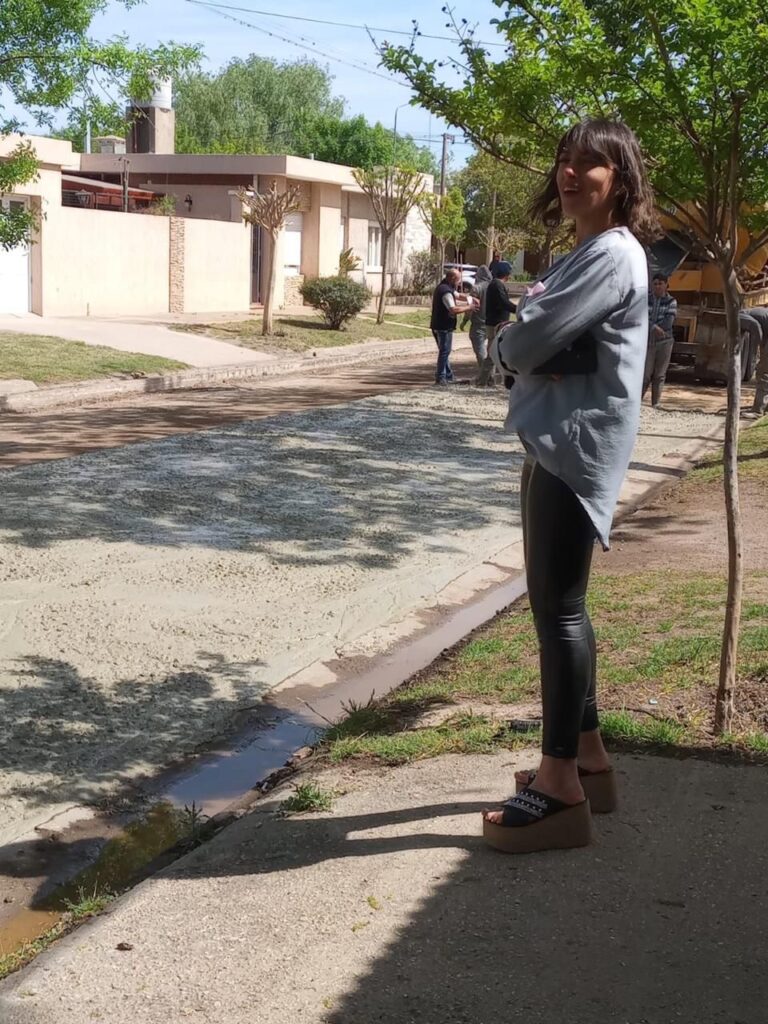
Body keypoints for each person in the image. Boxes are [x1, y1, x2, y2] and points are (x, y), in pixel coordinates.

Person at [483, 118, 659, 854]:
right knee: (563, 607)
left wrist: (507, 343)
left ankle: (558, 786)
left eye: (591, 162)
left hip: (572, 446)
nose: (570, 172)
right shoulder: (591, 253)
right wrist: (528, 339)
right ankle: (587, 758)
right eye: (564, 158)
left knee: (557, 611)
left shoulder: (611, 254)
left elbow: (524, 341)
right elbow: (541, 339)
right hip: (560, 439)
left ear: (620, 179)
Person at [429, 268, 473, 386]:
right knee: (444, 351)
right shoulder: (445, 292)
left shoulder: (445, 287)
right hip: (443, 326)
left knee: (445, 351)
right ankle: (440, 377)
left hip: (439, 325)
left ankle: (448, 376)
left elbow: (458, 295)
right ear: (452, 278)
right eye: (458, 280)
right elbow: (453, 309)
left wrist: (470, 299)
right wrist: (469, 307)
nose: (459, 283)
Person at [477, 261, 516, 386]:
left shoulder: (496, 284)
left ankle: (489, 380)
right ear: (506, 273)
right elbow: (503, 303)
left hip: (496, 322)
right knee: (493, 353)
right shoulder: (497, 285)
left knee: (497, 353)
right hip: (495, 324)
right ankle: (482, 381)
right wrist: (519, 309)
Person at [642, 273, 678, 407]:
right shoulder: (646, 300)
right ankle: (637, 402)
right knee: (645, 374)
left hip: (665, 341)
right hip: (647, 341)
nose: (657, 286)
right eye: (655, 283)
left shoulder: (671, 301)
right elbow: (641, 317)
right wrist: (653, 327)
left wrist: (657, 328)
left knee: (659, 375)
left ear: (666, 285)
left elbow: (669, 321)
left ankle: (655, 404)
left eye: (660, 284)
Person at [461, 265, 492, 376]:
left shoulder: (476, 288)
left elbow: (471, 307)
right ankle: (490, 374)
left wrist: (464, 321)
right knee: (491, 351)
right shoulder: (494, 287)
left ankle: (485, 375)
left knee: (480, 351)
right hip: (492, 323)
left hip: (478, 323)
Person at [745, 306, 768, 415]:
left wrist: (761, 347)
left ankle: (758, 410)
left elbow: (757, 329)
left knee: (764, 373)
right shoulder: (750, 312)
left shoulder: (739, 317)